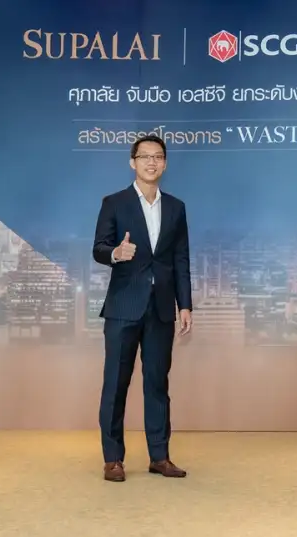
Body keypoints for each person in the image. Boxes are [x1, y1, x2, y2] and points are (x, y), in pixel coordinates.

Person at [92, 134, 193, 482]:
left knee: (157, 383)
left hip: (161, 308)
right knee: (115, 384)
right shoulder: (114, 203)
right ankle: (113, 459)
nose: (152, 162)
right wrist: (115, 253)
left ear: (165, 163)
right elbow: (98, 247)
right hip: (123, 306)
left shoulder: (176, 207)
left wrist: (185, 305)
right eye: (145, 156)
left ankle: (159, 457)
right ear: (132, 162)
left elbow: (181, 259)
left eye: (158, 156)